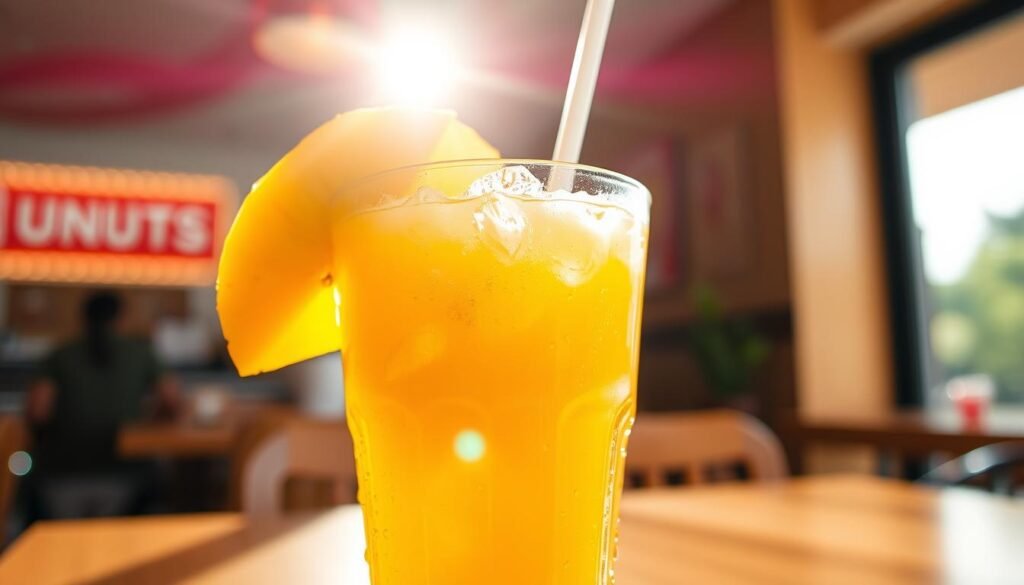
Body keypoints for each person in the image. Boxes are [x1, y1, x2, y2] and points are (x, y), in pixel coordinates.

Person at [23, 290, 181, 519]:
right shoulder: (141, 352)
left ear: (81, 319)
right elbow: (172, 400)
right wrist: (148, 419)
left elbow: (38, 411)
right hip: (126, 475)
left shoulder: (59, 355)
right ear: (122, 318)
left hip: (61, 477)